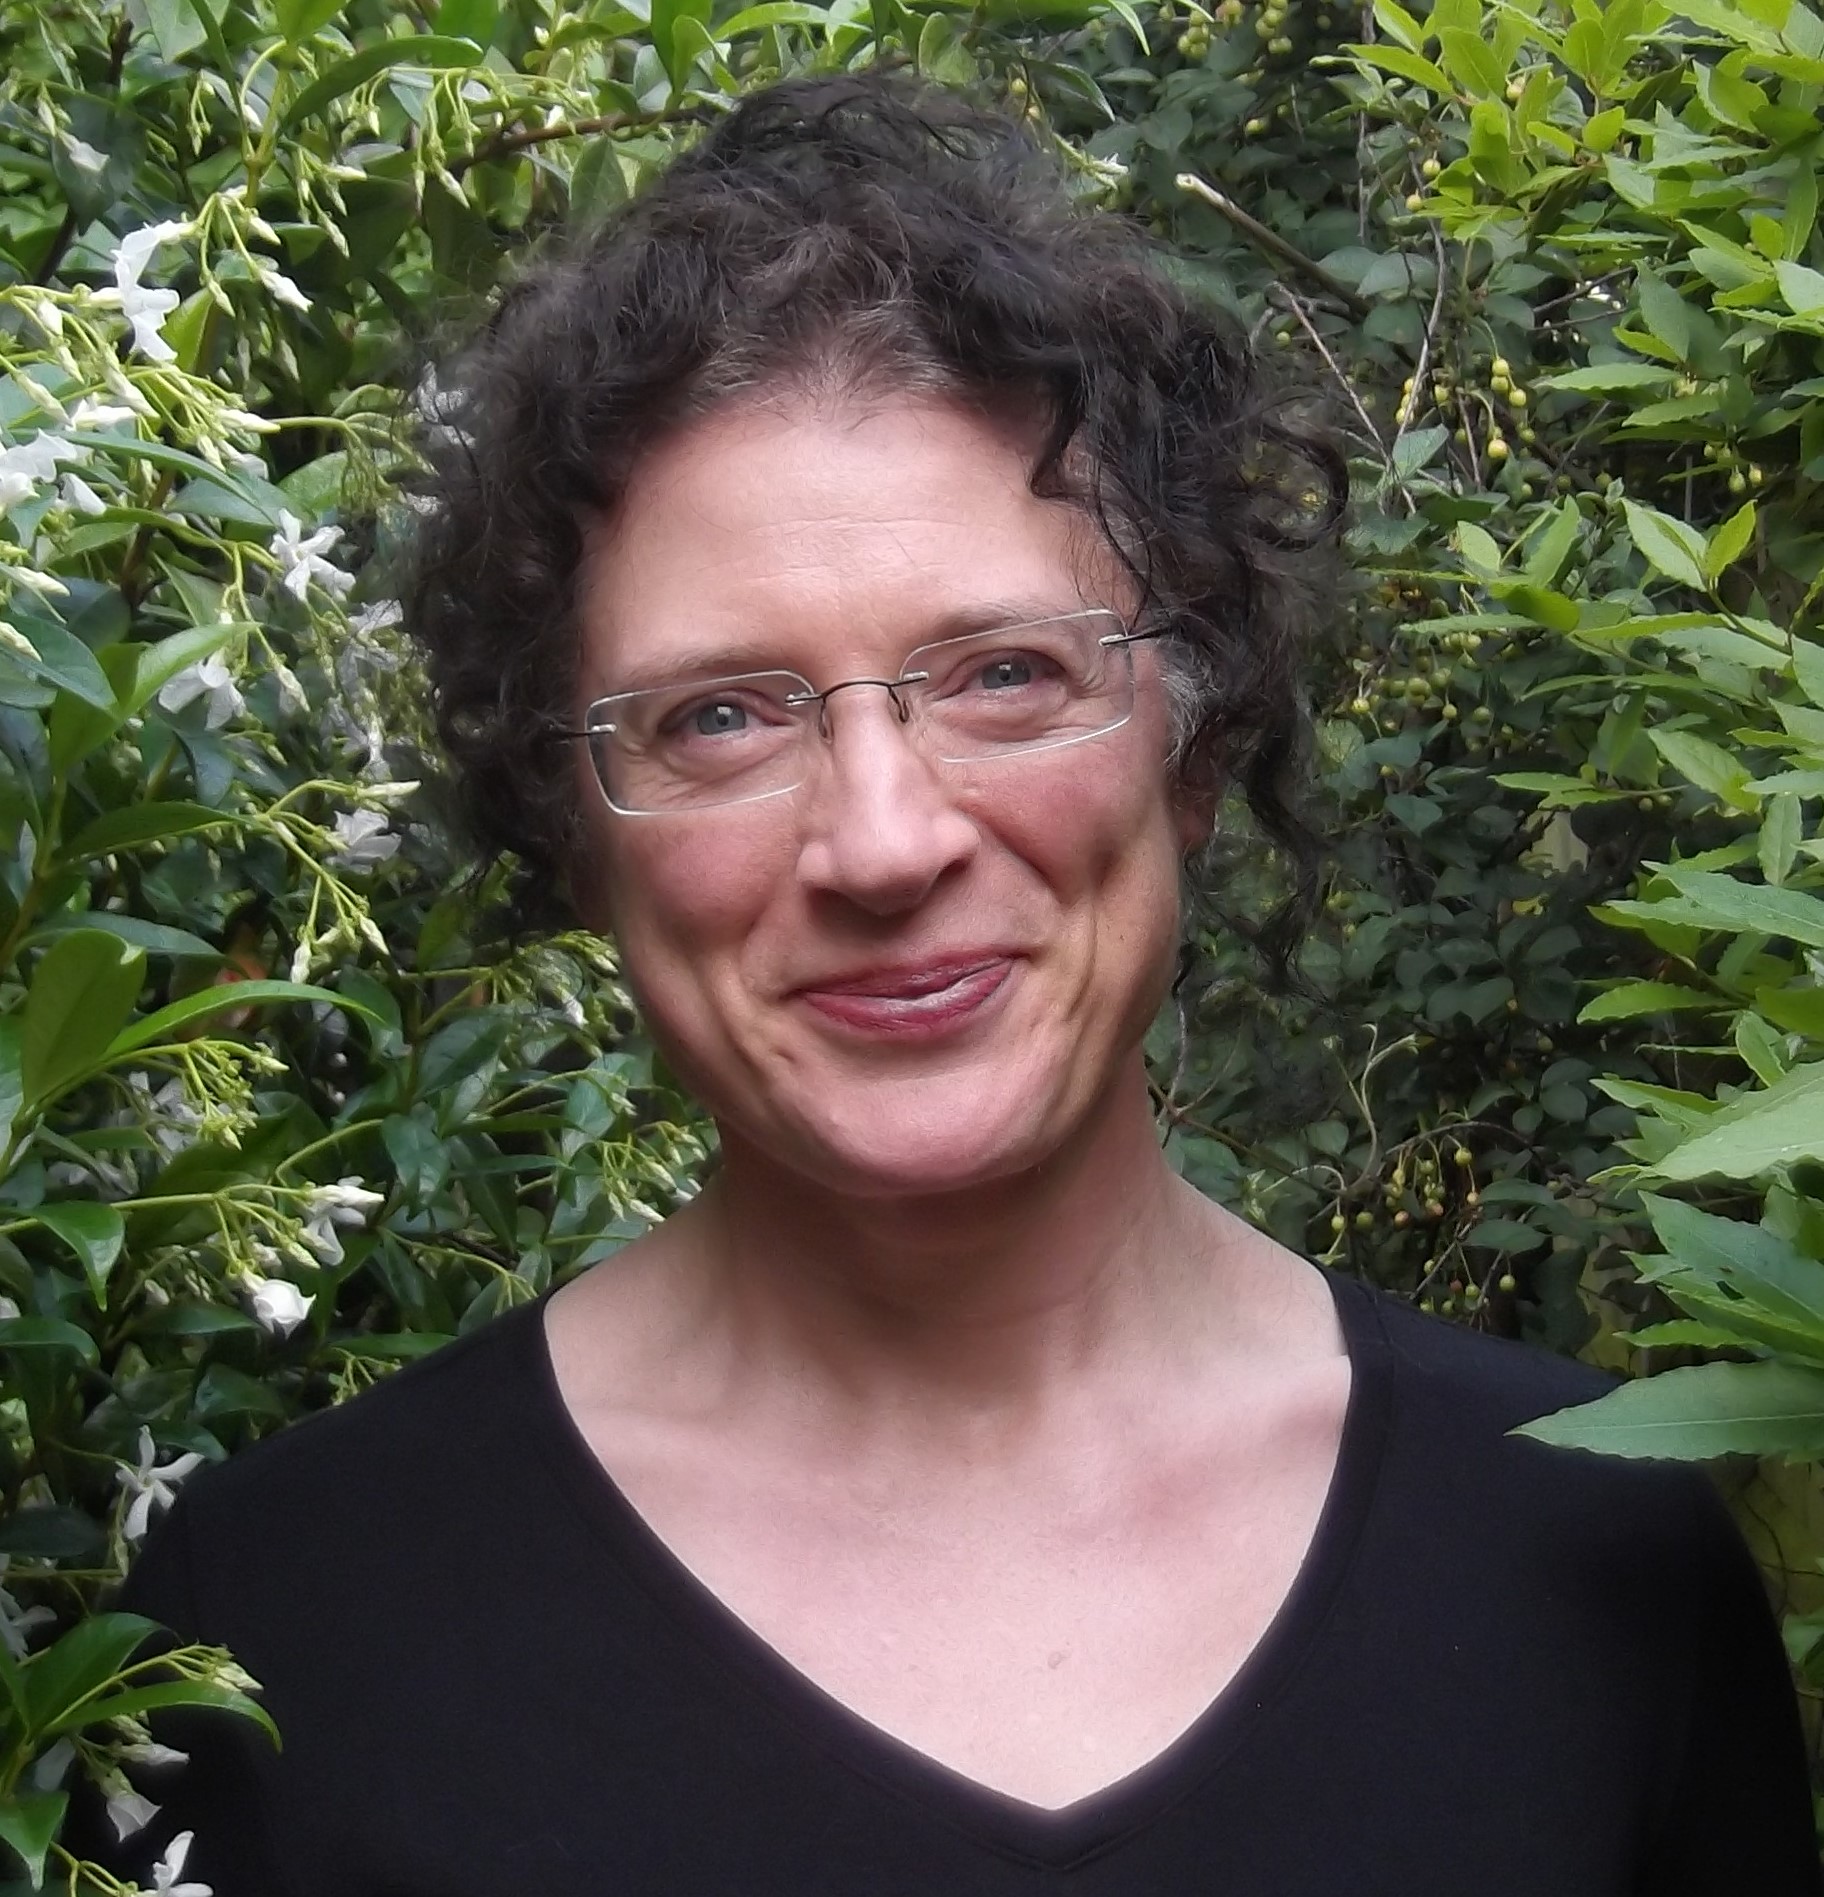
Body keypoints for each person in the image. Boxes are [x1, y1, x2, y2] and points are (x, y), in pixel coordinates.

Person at [90, 70, 1817, 1895]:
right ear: (575, 832)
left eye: (1003, 673)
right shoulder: (270, 1631)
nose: (885, 838)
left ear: (1198, 741)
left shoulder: (1592, 1558)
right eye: (720, 716)